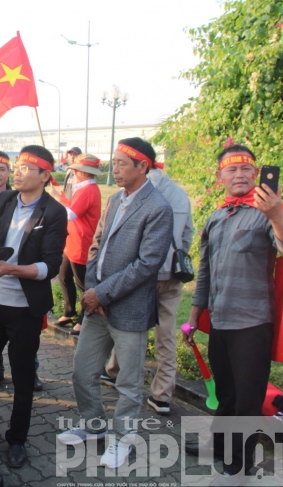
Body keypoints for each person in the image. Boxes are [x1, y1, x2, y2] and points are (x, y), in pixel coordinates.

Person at [184, 144, 283, 480]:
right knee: (225, 393)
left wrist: (277, 214)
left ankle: (241, 463)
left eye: (245, 170)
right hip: (220, 320)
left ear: (256, 174)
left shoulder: (265, 213)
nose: (239, 175)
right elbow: (205, 271)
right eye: (231, 170)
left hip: (252, 322)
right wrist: (195, 315)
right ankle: (219, 446)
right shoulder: (216, 216)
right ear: (220, 175)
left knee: (247, 400)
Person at [59, 138, 173, 469]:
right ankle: (93, 425)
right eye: (115, 162)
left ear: (143, 167)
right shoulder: (115, 201)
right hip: (98, 305)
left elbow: (146, 265)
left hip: (129, 308)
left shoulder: (158, 208)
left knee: (129, 383)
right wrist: (92, 290)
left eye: (123, 163)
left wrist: (103, 293)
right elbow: (96, 245)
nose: (115, 169)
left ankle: (124, 439)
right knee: (82, 371)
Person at [0, 145, 67, 469]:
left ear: (45, 176)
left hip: (25, 309)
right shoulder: (6, 200)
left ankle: (17, 440)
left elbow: (50, 266)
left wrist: (11, 269)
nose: (18, 172)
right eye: (17, 166)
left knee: (23, 379)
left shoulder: (53, 212)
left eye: (26, 167)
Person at [102, 161, 193, 415]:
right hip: (171, 273)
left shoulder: (136, 190)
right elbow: (188, 234)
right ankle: (162, 394)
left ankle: (114, 371)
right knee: (166, 332)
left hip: (140, 272)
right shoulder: (179, 193)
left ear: (142, 165)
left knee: (127, 322)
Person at [55, 154, 103, 336]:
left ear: (82, 172)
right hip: (73, 241)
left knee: (83, 283)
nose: (74, 173)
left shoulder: (88, 190)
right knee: (63, 276)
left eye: (75, 170)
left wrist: (56, 204)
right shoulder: (85, 188)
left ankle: (85, 319)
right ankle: (69, 311)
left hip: (82, 242)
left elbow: (71, 214)